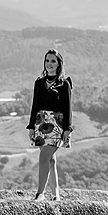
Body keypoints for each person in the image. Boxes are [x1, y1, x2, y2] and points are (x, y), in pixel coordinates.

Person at [26, 48, 73, 200]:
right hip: (40, 123)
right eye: (47, 60)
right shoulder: (39, 83)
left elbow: (68, 108)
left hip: (57, 125)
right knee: (51, 159)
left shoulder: (64, 84)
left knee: (43, 157)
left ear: (59, 63)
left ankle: (40, 194)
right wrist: (31, 125)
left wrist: (68, 129)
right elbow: (35, 105)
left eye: (53, 61)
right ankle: (56, 195)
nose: (49, 64)